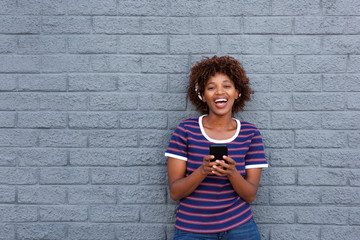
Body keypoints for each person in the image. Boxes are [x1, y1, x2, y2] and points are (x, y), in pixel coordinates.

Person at [165, 56, 268, 240]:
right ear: (202, 95)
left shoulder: (250, 134)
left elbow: (250, 195)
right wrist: (203, 171)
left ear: (237, 92)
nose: (220, 92)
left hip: (239, 226)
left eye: (227, 86)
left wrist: (232, 173)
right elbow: (175, 192)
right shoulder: (185, 131)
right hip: (192, 229)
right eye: (211, 87)